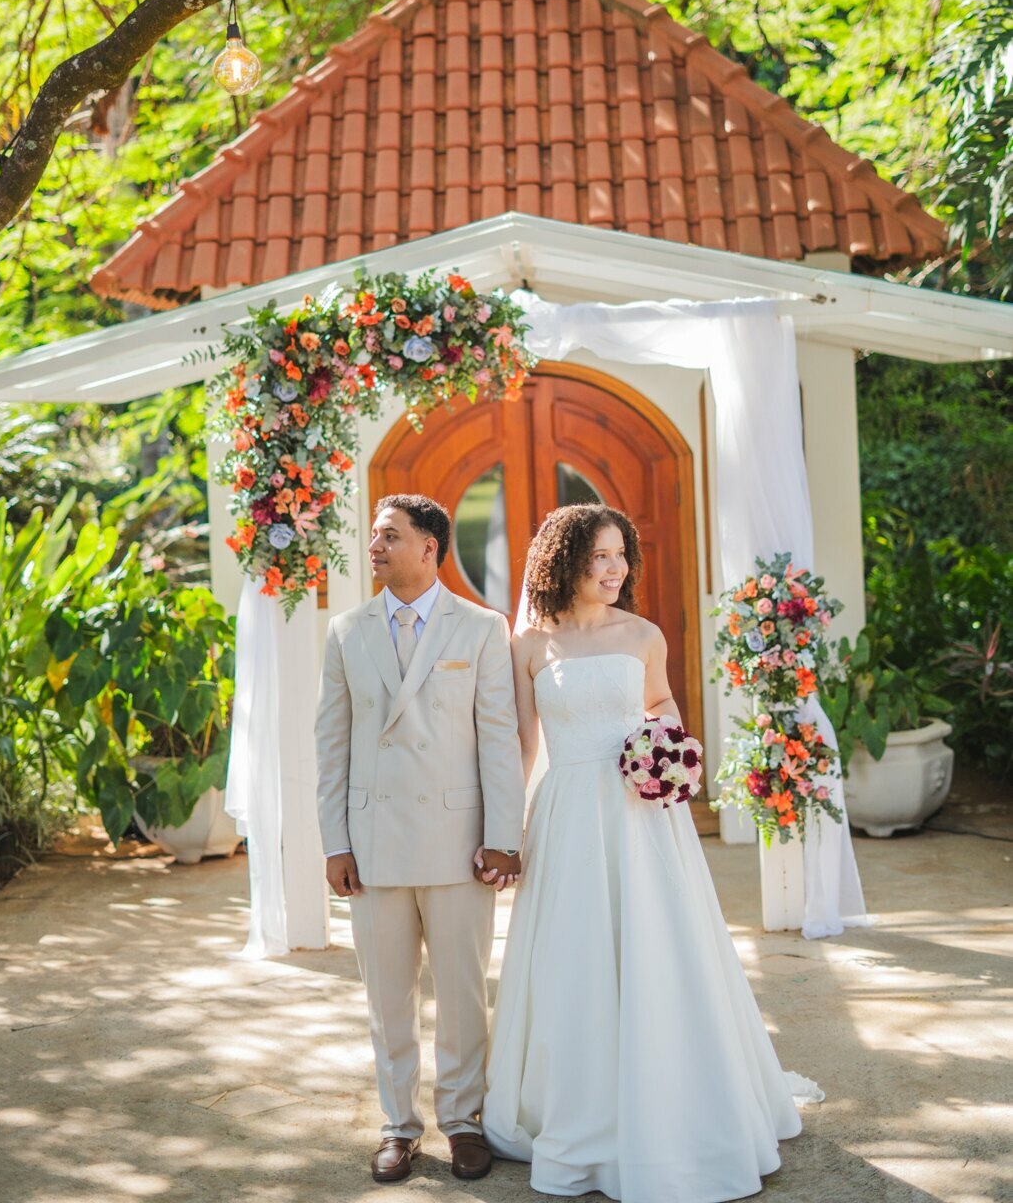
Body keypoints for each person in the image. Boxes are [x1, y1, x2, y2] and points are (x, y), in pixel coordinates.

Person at [482, 502, 808, 1202]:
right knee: (576, 956)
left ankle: (674, 1097)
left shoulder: (643, 635)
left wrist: (666, 753)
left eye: (619, 556)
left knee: (659, 946)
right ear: (562, 561)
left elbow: (662, 706)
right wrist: (502, 834)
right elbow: (522, 745)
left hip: (641, 815)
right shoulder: (531, 646)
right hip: (569, 814)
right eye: (597, 556)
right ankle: (581, 1111)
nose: (611, 569)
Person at [315, 493, 526, 1185]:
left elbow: (499, 737)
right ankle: (397, 1126)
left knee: (463, 992)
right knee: (387, 998)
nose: (374, 548)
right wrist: (334, 843)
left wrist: (503, 836)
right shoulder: (347, 631)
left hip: (457, 840)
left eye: (388, 537)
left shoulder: (481, 628)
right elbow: (331, 745)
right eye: (373, 538)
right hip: (372, 844)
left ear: (429, 547)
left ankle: (463, 1121)